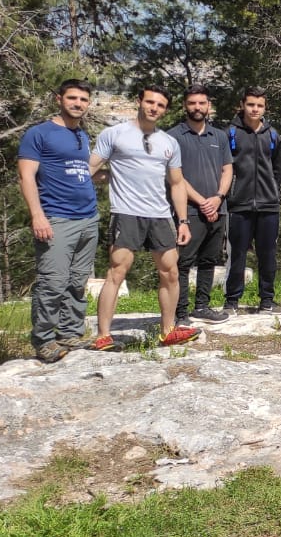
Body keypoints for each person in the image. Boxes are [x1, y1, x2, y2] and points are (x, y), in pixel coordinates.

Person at [87, 85, 200, 349]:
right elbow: (90, 168)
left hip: (160, 215)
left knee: (170, 273)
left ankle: (168, 330)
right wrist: (109, 177)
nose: (154, 108)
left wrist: (183, 221)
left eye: (160, 105)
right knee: (117, 272)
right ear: (139, 101)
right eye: (150, 102)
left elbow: (176, 183)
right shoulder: (114, 134)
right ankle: (103, 334)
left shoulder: (169, 142)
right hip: (126, 213)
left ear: (166, 109)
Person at [17, 79, 99, 362]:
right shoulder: (39, 134)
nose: (78, 104)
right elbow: (26, 176)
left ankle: (71, 333)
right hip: (56, 217)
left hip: (88, 218)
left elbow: (81, 172)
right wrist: (37, 216)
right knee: (53, 282)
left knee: (77, 282)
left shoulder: (82, 136)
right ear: (59, 99)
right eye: (72, 98)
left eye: (83, 100)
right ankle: (44, 339)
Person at [171, 85, 233, 325]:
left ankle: (202, 307)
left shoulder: (219, 136)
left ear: (209, 106)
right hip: (189, 211)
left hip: (218, 209)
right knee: (183, 263)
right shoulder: (173, 136)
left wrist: (218, 197)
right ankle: (181, 313)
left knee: (209, 261)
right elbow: (174, 177)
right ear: (185, 105)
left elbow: (227, 169)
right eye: (192, 103)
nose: (197, 107)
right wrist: (201, 201)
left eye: (202, 103)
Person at [223, 87, 281, 314]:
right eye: (251, 105)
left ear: (265, 108)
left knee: (267, 254)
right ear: (242, 105)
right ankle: (231, 301)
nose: (255, 109)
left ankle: (267, 300)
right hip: (239, 203)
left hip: (268, 204)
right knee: (237, 254)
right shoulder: (230, 133)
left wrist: (274, 189)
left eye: (259, 105)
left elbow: (278, 168)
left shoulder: (273, 135)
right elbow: (224, 166)